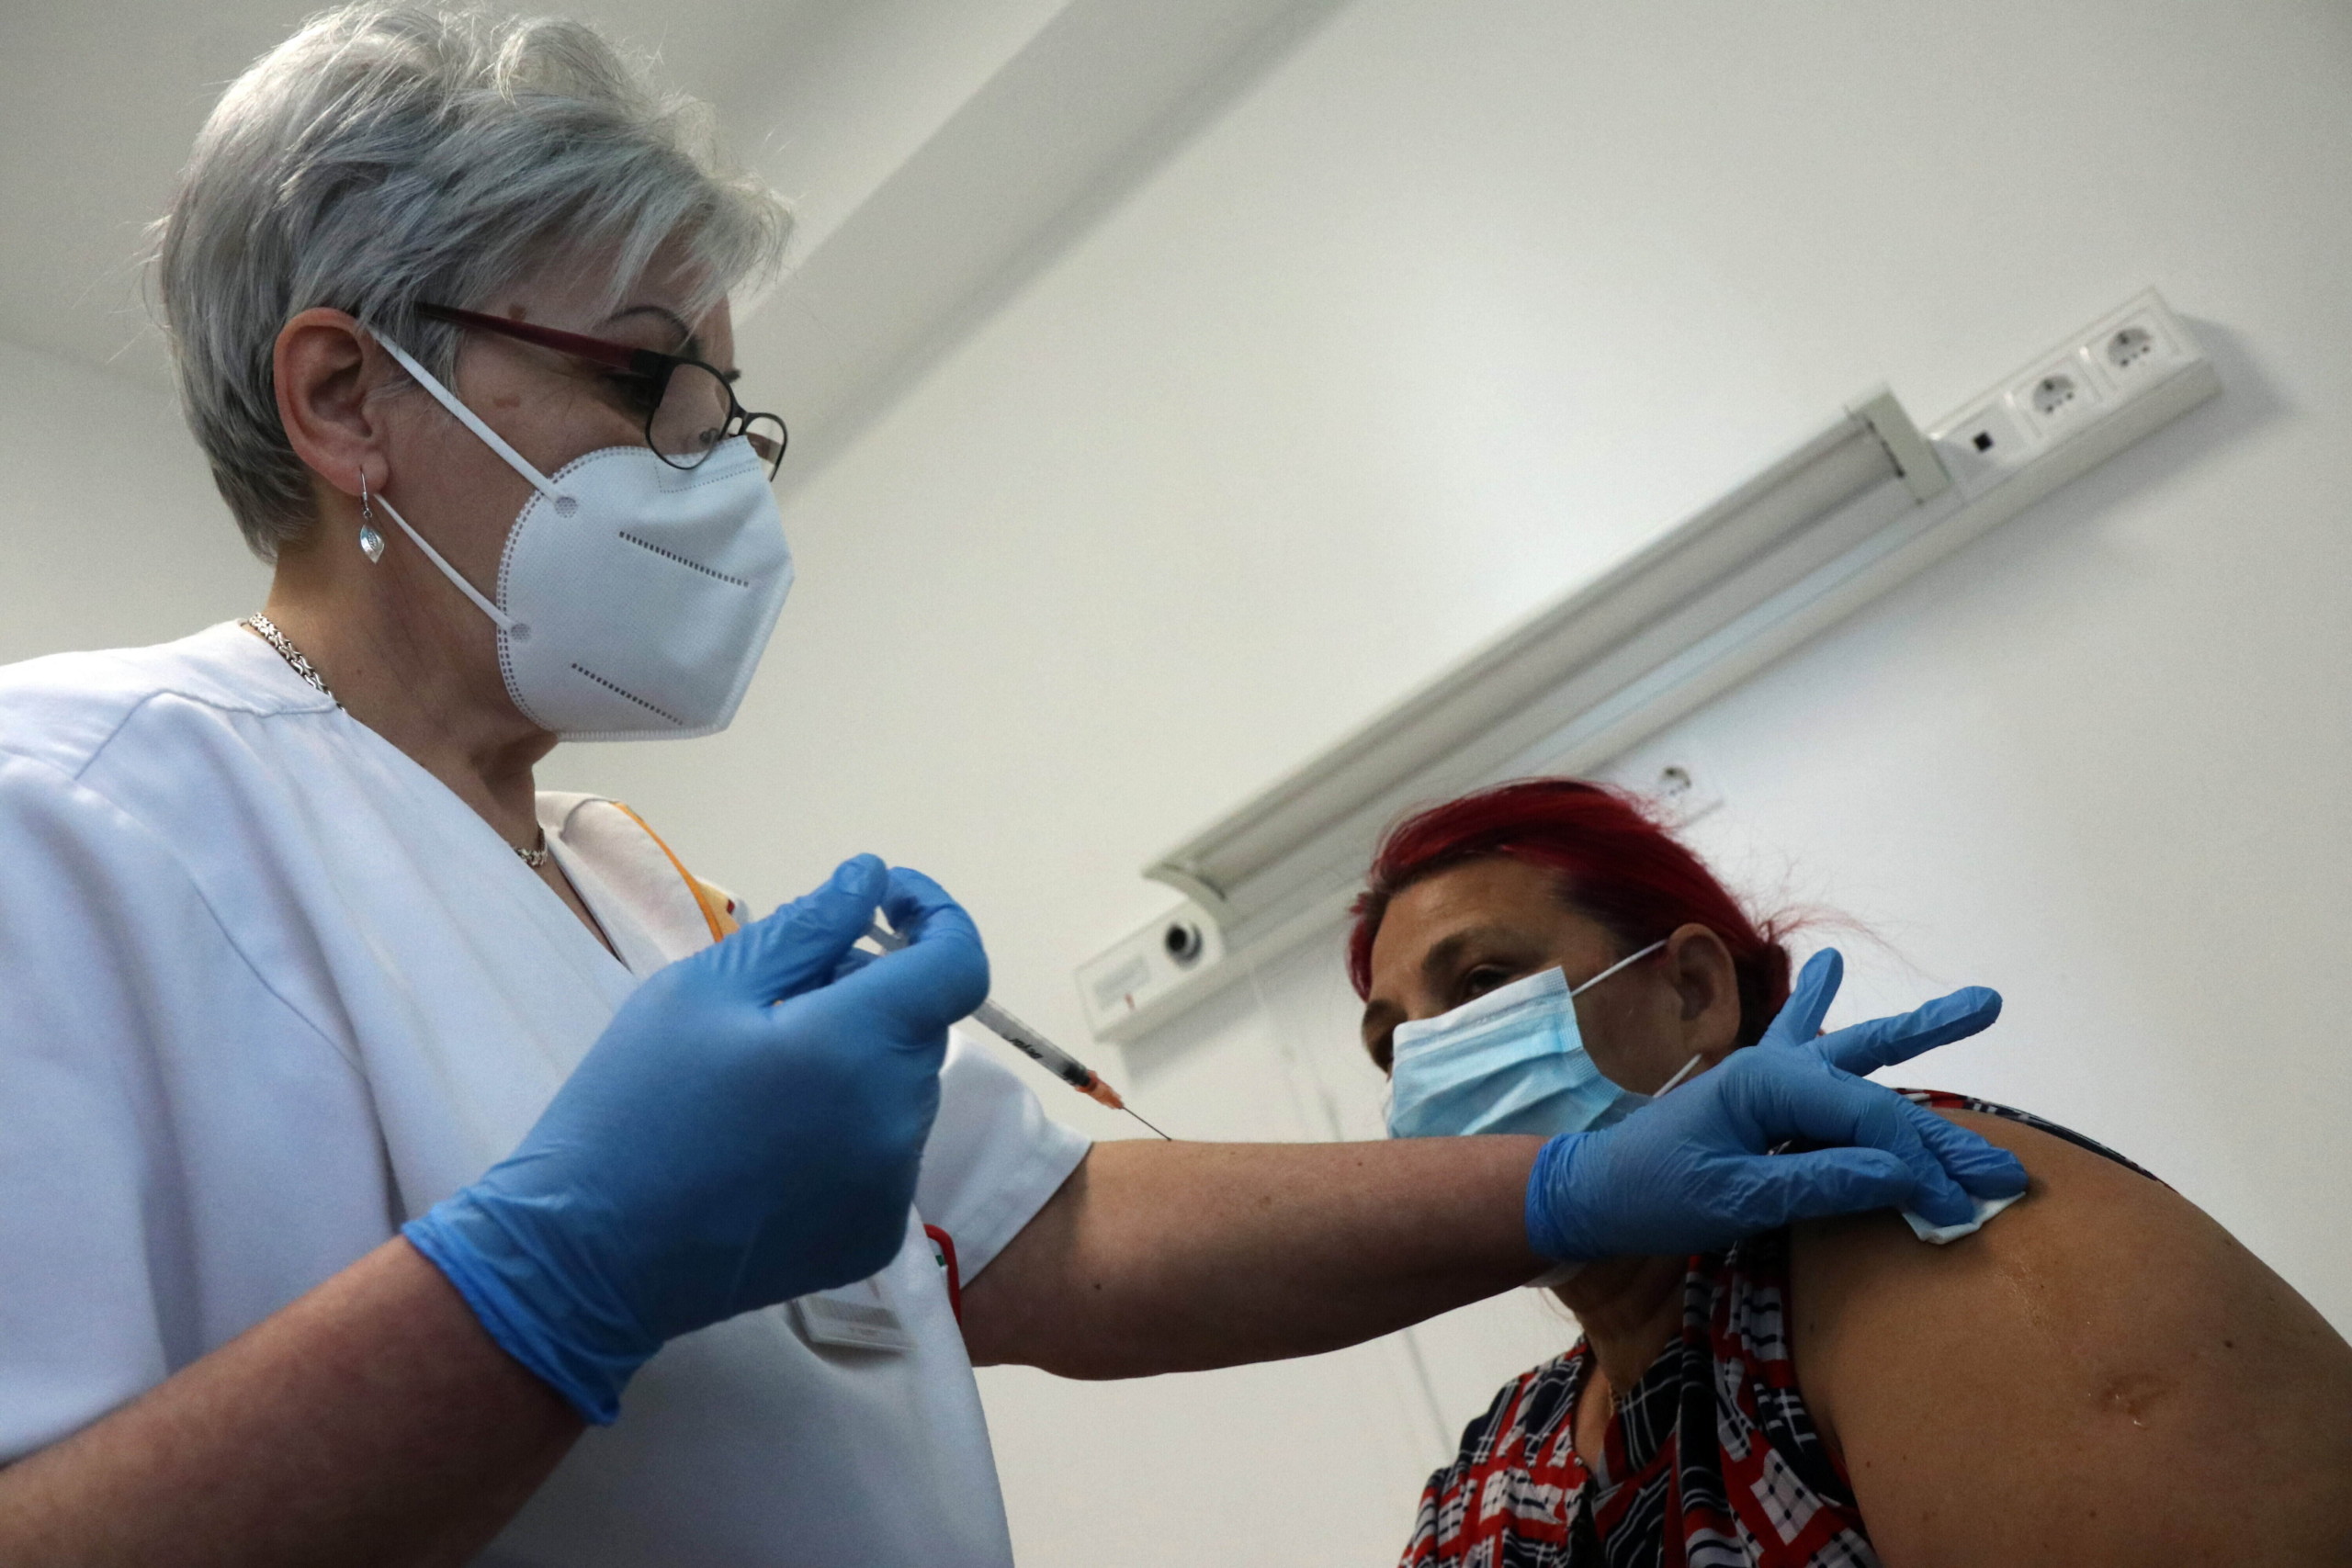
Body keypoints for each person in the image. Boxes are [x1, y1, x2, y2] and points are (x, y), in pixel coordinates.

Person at [0, 8, 2033, 1564]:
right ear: (347, 396)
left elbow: (1057, 1233)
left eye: (726, 410)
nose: (714, 472)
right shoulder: (78, 813)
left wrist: (1568, 1185)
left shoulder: (630, 888)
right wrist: (559, 1279)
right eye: (643, 383)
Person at [1357, 780, 2352, 1566]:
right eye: (1392, 1045)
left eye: (1481, 982)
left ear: (1693, 991)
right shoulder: (1496, 1471)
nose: (1426, 1067)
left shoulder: (1909, 1224)